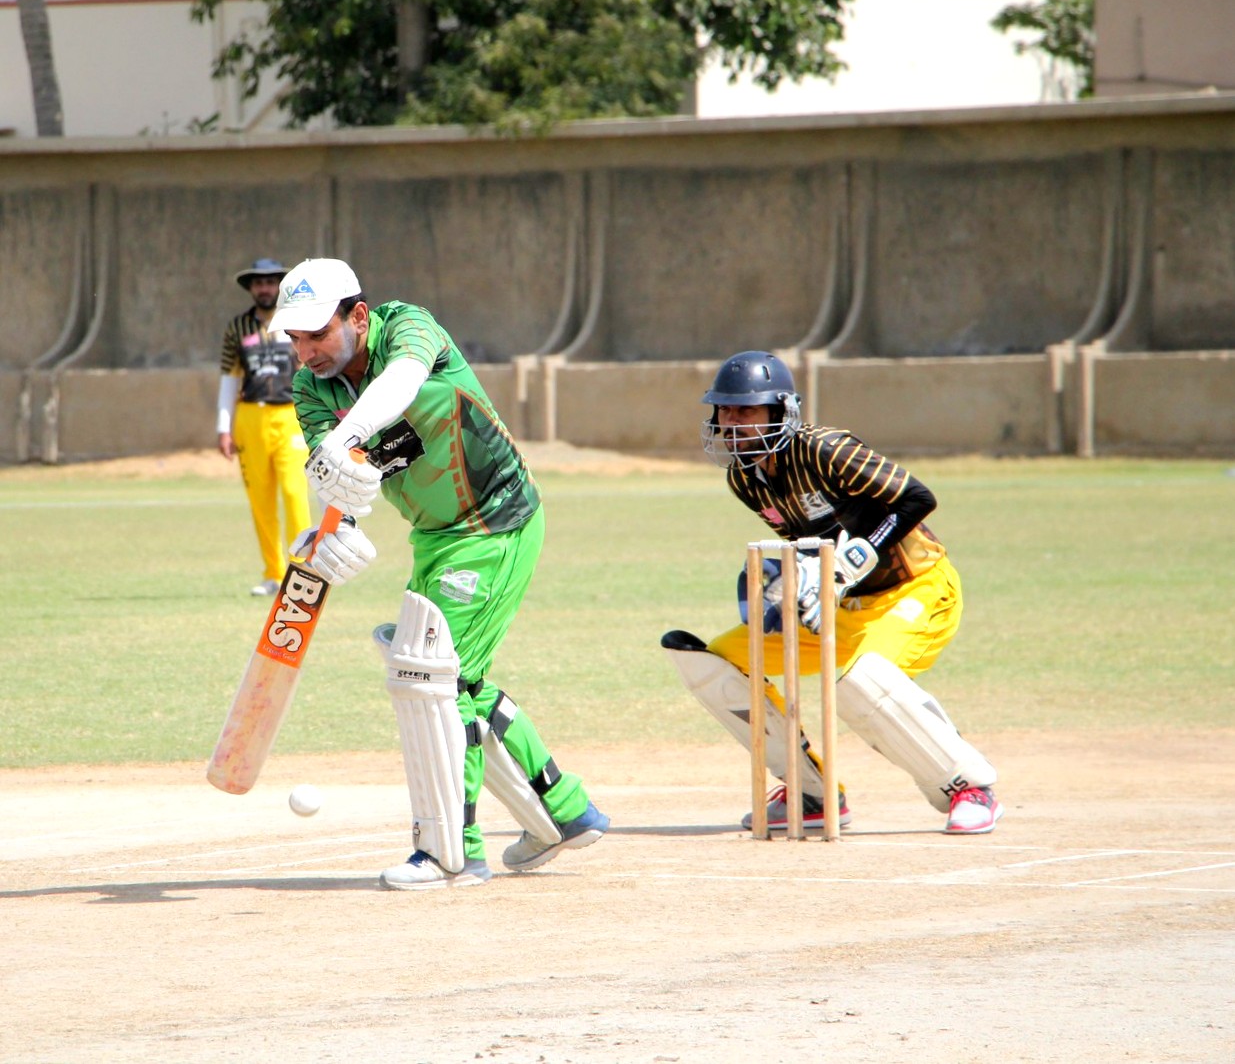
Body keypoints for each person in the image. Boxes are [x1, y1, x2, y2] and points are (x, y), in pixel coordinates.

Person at [270, 257, 609, 890]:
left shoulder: (408, 326)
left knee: (431, 680)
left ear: (358, 316)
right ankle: (564, 812)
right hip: (435, 537)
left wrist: (349, 437)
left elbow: (400, 382)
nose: (306, 351)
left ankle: (452, 853)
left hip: (496, 521)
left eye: (317, 333)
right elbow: (339, 479)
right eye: (295, 337)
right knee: (455, 680)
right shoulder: (312, 390)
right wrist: (333, 531)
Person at [661, 350, 1003, 835]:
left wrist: (865, 549)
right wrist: (796, 586)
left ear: (781, 411)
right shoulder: (744, 480)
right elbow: (805, 540)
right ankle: (812, 791)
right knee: (716, 662)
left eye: (746, 410)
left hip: (917, 587)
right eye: (725, 410)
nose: (732, 422)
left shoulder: (825, 449)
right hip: (846, 603)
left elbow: (916, 498)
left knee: (864, 681)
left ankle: (968, 787)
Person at [216, 257, 313, 596]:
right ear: (251, 288)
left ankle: (302, 573)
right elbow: (230, 377)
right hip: (251, 418)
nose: (265, 288)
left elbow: (312, 368)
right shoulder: (238, 327)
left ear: (279, 287)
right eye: (259, 283)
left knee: (294, 493)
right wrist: (224, 427)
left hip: (291, 417)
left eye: (271, 282)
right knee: (261, 499)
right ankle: (273, 574)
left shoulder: (296, 323)